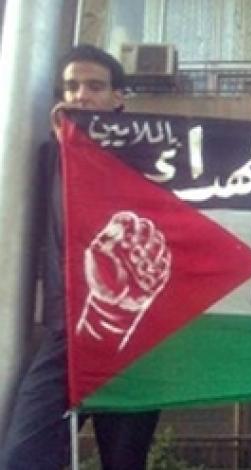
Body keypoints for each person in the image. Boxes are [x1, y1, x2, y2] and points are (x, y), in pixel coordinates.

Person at [0, 44, 160, 470]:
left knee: (123, 462)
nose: (81, 96)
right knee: (22, 458)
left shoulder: (151, 157)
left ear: (118, 97)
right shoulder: (46, 157)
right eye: (72, 87)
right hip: (67, 335)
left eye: (94, 86)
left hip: (135, 342)